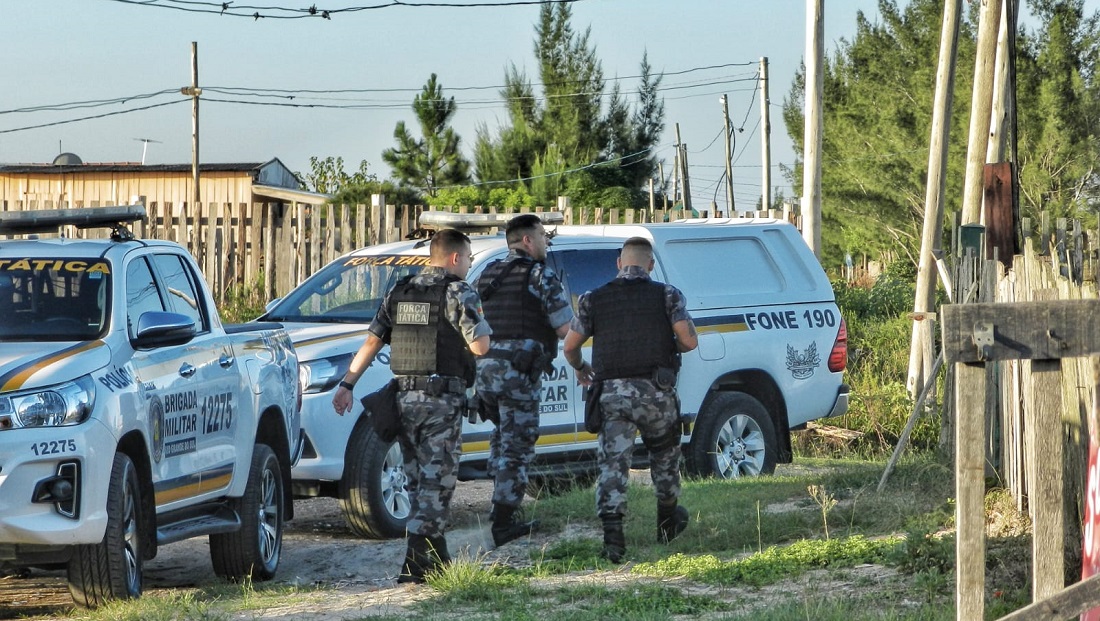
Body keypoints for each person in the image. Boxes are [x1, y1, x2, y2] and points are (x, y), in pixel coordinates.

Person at [332, 228, 491, 584]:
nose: (467, 264)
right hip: (439, 402)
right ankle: (413, 564)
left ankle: (438, 561)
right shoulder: (457, 291)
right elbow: (480, 346)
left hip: (403, 400)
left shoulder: (400, 291)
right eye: (467, 258)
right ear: (454, 258)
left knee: (419, 481)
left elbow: (372, 341)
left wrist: (347, 385)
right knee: (439, 482)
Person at [562, 236, 699, 563]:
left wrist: (582, 368)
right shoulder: (667, 295)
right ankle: (667, 522)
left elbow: (569, 347)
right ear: (650, 265)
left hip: (612, 396)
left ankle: (614, 540)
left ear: (619, 264)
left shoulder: (594, 299)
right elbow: (689, 341)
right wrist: (670, 347)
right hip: (656, 394)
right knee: (665, 457)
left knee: (613, 463)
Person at [475, 213, 574, 546]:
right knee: (518, 446)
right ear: (528, 241)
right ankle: (503, 523)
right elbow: (565, 328)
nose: (547, 242)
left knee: (503, 437)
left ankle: (500, 503)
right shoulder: (540, 276)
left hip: (486, 373)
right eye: (543, 236)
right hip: (517, 374)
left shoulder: (489, 274)